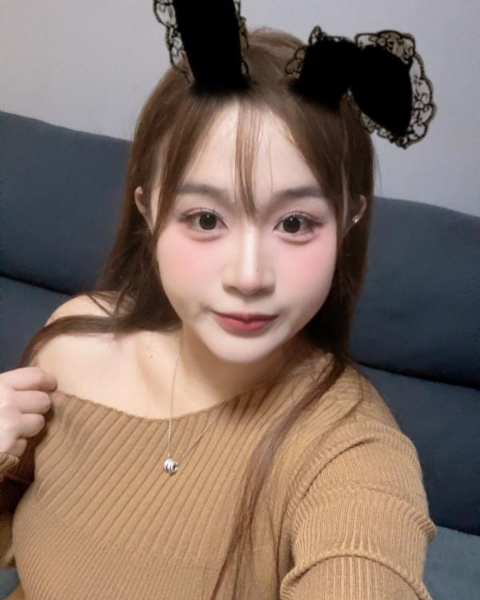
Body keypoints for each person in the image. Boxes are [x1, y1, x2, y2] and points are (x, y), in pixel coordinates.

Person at [0, 1, 438, 598]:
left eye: (295, 223)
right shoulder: (73, 343)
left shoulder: (351, 451)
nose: (249, 276)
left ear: (349, 220)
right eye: (206, 218)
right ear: (149, 209)